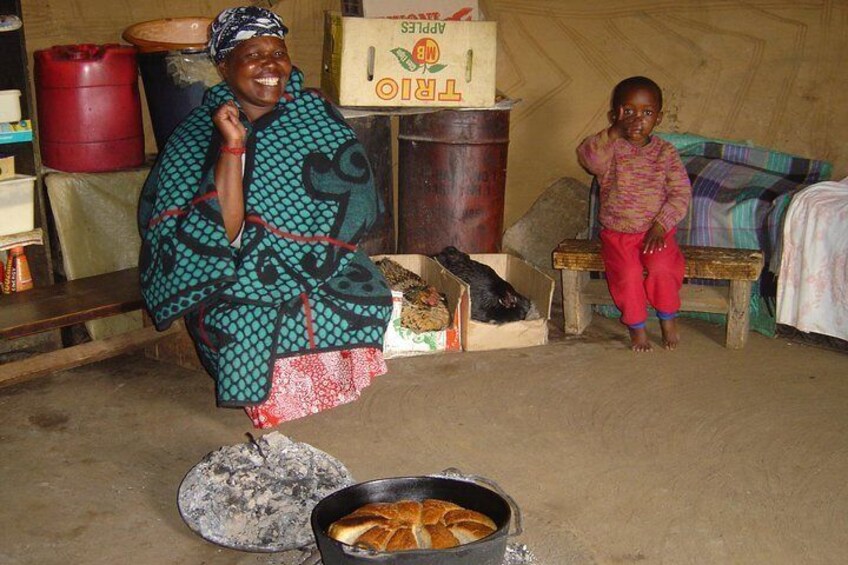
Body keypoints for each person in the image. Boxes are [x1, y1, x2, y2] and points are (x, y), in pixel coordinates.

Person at [137, 6, 393, 428]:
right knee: (246, 314)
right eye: (253, 55)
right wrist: (233, 146)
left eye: (278, 52)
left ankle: (325, 391)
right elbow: (219, 229)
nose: (270, 65)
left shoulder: (315, 116)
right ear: (223, 65)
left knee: (364, 294)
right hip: (228, 262)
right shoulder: (197, 132)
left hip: (314, 255)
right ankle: (275, 402)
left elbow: (355, 199)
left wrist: (302, 250)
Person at [576, 76, 691, 352]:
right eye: (628, 112)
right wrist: (613, 133)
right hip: (618, 233)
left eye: (647, 113)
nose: (637, 119)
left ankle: (667, 318)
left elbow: (681, 193)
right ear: (614, 116)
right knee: (626, 275)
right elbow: (588, 158)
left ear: (659, 118)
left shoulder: (665, 153)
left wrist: (661, 226)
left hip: (656, 232)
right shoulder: (610, 149)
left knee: (663, 268)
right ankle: (636, 326)